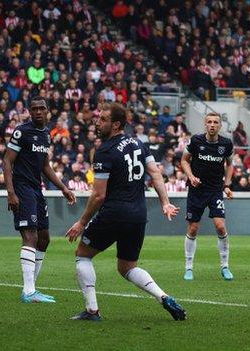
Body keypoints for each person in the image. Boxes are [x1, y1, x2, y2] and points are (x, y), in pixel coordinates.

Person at [65, 103, 185, 321]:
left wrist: (82, 222)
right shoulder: (139, 144)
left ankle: (92, 311)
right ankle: (163, 296)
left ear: (116, 124)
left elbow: (99, 195)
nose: (97, 122)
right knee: (127, 267)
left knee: (83, 254)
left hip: (114, 212)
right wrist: (165, 202)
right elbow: (156, 174)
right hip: (138, 215)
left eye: (102, 119)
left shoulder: (105, 151)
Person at [3, 96, 76, 303]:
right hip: (22, 188)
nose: (37, 112)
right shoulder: (22, 131)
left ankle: (31, 287)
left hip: (36, 189)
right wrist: (11, 192)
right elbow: (7, 161)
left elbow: (45, 166)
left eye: (41, 108)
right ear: (29, 111)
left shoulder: (45, 134)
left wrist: (63, 188)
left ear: (47, 111)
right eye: (33, 109)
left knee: (44, 238)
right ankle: (28, 292)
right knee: (31, 238)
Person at [180, 112, 235, 281]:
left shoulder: (226, 144)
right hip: (196, 191)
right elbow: (184, 160)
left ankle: (225, 266)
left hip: (215, 191)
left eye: (215, 122)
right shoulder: (196, 141)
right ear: (205, 124)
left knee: (220, 226)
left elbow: (230, 164)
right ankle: (189, 268)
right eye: (209, 122)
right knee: (193, 229)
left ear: (220, 125)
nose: (212, 125)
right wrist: (190, 176)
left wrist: (227, 185)